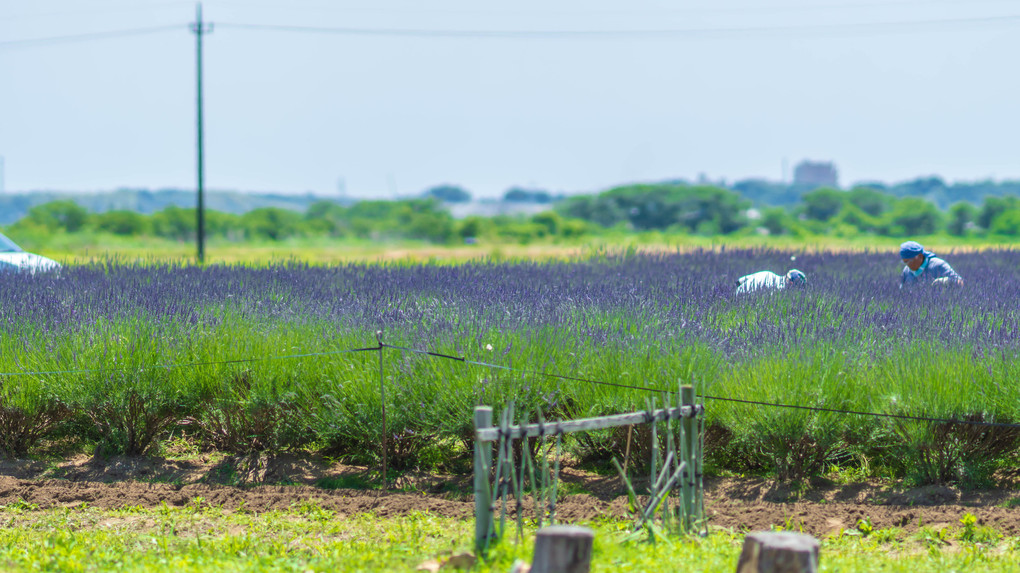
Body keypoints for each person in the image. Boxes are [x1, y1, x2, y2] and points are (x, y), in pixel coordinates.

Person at [735, 269, 807, 294]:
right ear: (791, 284)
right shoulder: (779, 289)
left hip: (736, 294)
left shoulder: (767, 273)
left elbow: (739, 281)